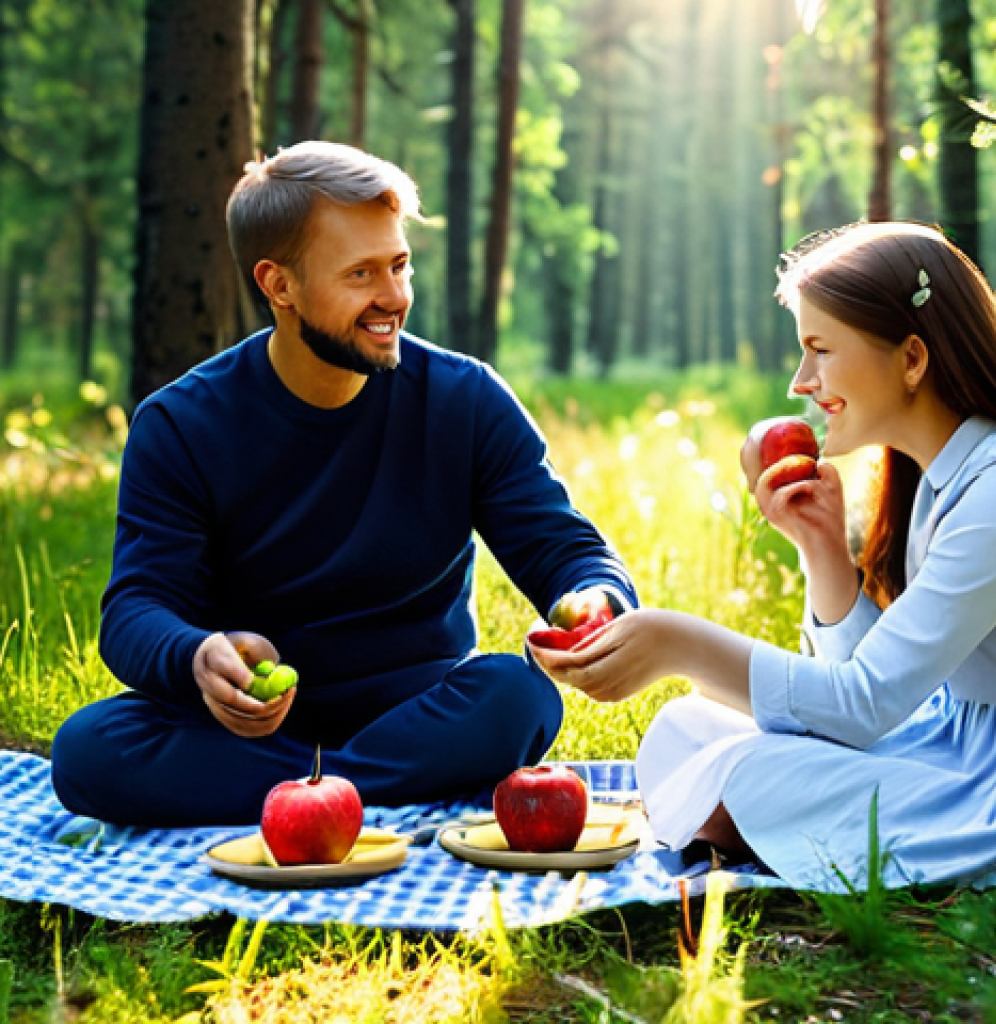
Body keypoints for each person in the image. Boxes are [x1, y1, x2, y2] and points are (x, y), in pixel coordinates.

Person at [50, 141, 636, 827]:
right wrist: (195, 655)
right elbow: (136, 609)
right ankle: (351, 793)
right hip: (248, 732)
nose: (393, 297)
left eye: (399, 265)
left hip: (420, 709)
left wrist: (594, 599)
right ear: (279, 285)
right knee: (88, 750)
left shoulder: (465, 398)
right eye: (360, 274)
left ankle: (306, 801)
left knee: (517, 694)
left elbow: (564, 548)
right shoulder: (180, 424)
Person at [530, 221, 996, 891]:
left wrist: (677, 644)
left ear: (912, 358)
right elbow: (882, 692)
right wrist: (821, 550)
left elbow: (863, 705)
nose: (801, 381)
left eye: (820, 350)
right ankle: (769, 824)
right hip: (945, 740)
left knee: (750, 776)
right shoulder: (935, 478)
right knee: (685, 729)